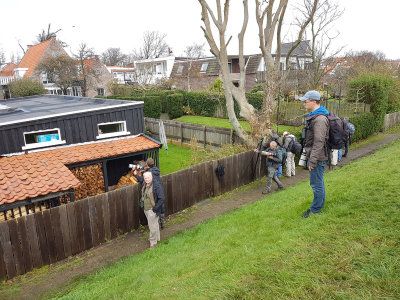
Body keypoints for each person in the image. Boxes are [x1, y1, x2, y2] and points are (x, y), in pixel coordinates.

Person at [299, 90, 329, 218]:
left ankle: (315, 209)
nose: (304, 103)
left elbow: (319, 141)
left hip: (318, 157)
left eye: (306, 101)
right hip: (316, 155)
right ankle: (318, 205)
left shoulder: (320, 119)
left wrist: (312, 161)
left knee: (316, 184)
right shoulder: (315, 116)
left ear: (314, 101)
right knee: (318, 182)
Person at [140, 172, 165, 248]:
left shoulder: (156, 185)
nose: (146, 179)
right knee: (154, 224)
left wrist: (155, 208)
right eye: (145, 178)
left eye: (148, 178)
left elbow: (162, 198)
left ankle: (152, 243)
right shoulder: (145, 184)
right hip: (146, 209)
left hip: (152, 210)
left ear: (151, 177)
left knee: (152, 227)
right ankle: (157, 238)